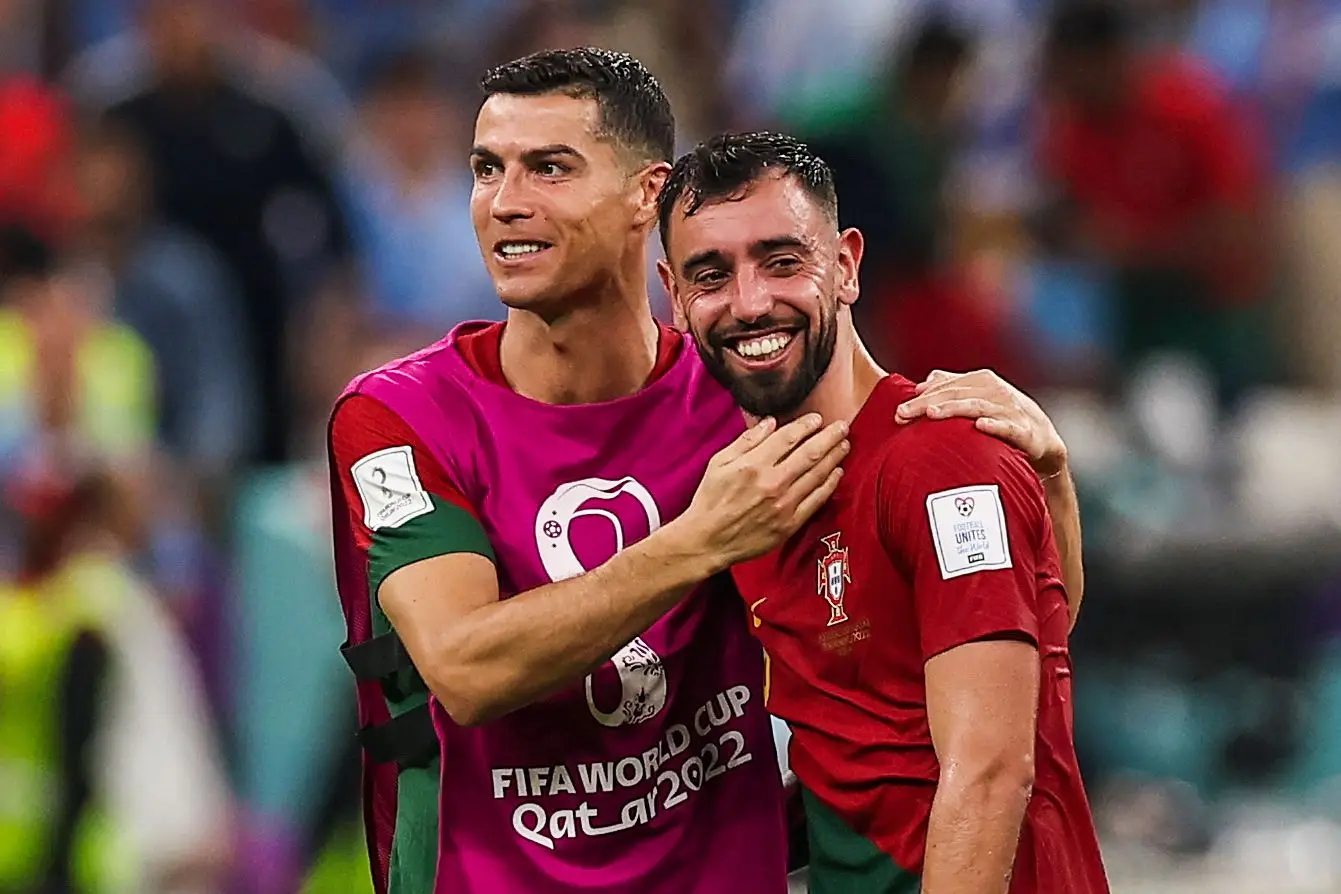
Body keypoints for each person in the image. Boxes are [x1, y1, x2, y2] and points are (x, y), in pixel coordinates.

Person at [327, 49, 1083, 894]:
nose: (505, 202)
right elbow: (464, 671)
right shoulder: (398, 417)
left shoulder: (751, 392)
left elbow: (985, 636)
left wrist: (1043, 484)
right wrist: (697, 542)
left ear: (645, 195)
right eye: (485, 169)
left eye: (549, 168)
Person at [655, 131, 1105, 894]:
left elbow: (990, 771)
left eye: (781, 261)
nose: (750, 302)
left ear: (846, 266)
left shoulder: (942, 461)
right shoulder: (749, 499)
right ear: (673, 295)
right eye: (711, 274)